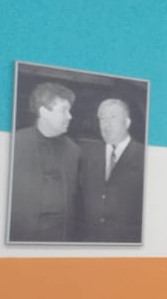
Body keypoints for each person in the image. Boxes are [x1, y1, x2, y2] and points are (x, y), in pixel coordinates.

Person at [9, 80, 80, 241]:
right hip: (21, 237)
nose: (70, 116)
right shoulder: (15, 143)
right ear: (44, 112)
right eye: (64, 110)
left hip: (60, 238)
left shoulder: (74, 150)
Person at [77, 96, 145, 243]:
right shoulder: (88, 155)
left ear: (127, 122)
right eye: (102, 119)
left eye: (113, 117)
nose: (106, 125)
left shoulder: (146, 156)